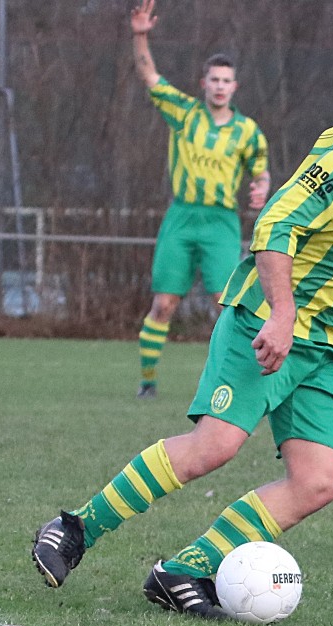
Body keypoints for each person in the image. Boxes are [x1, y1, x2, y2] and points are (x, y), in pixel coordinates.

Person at [32, 58, 333, 619]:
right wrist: (282, 314)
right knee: (214, 446)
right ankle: (75, 528)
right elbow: (276, 224)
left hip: (329, 348)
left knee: (318, 481)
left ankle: (183, 571)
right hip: (265, 320)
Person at [130, 0, 271, 399]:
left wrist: (261, 187)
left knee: (226, 305)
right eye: (214, 80)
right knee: (164, 304)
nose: (220, 86)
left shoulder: (248, 131)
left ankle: (229, 382)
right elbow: (149, 76)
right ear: (204, 83)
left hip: (221, 222)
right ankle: (147, 382)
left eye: (226, 81)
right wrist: (140, 36)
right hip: (182, 217)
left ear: (234, 87)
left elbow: (261, 171)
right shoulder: (185, 114)